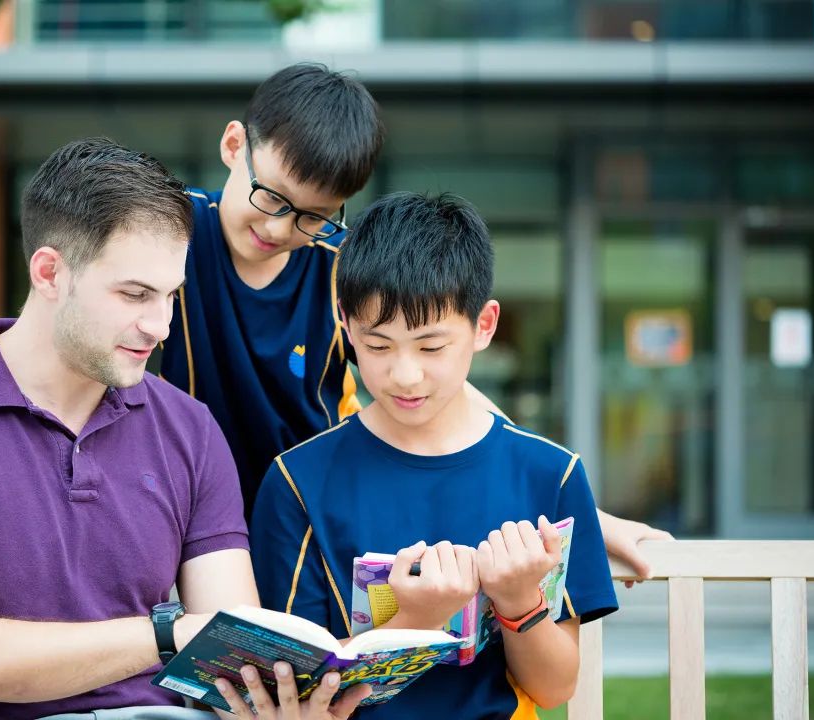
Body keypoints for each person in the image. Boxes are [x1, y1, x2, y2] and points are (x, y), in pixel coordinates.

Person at [0, 138, 368, 720]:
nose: (161, 326)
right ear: (50, 272)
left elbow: (232, 653)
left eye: (172, 296)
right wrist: (167, 633)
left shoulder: (191, 428)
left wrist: (280, 700)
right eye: (135, 295)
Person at [156, 62, 671, 580]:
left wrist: (591, 517)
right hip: (195, 517)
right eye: (269, 196)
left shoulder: (342, 268)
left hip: (310, 517)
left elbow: (447, 387)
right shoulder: (167, 237)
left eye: (312, 216)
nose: (277, 226)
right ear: (232, 146)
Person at [250, 192, 619, 719]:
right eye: (378, 346)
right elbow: (299, 698)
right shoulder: (298, 482)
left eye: (430, 347)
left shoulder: (548, 475)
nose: (404, 375)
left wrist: (519, 602)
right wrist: (417, 619)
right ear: (345, 324)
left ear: (484, 326)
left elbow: (556, 687)